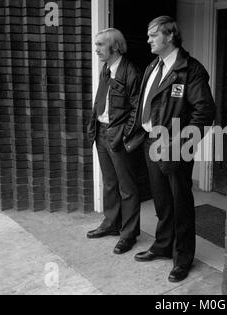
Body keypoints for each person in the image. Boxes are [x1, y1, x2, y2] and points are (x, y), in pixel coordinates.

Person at [124, 16, 215, 283]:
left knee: (181, 203)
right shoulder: (154, 65)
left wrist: (181, 145)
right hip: (152, 142)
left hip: (175, 146)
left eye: (154, 35)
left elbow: (204, 111)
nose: (149, 40)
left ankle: (182, 257)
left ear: (170, 36)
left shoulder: (191, 70)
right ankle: (163, 245)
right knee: (162, 200)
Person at [87, 28, 142, 256]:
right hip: (102, 132)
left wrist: (126, 134)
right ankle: (111, 224)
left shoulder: (131, 72)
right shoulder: (106, 69)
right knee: (109, 183)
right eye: (96, 44)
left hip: (118, 135)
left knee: (127, 188)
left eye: (100, 44)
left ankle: (128, 234)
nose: (96, 49)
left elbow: (137, 109)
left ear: (115, 47)